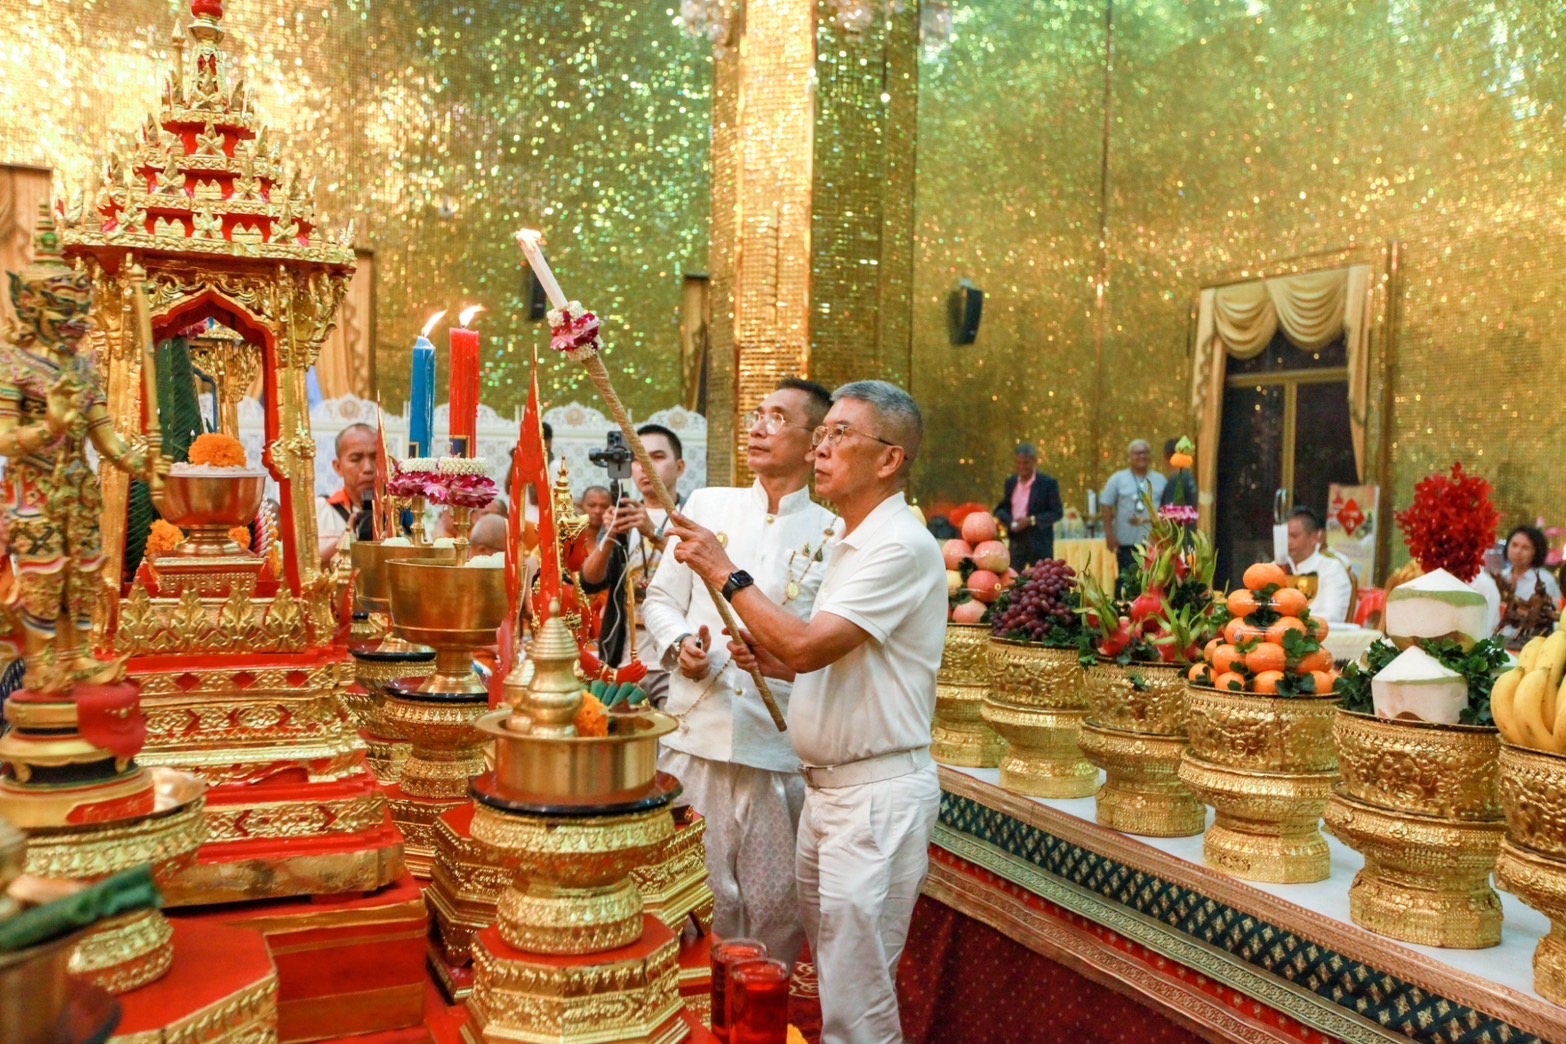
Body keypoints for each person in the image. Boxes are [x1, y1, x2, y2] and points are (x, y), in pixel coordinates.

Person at [669, 379, 945, 1044]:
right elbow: (830, 658)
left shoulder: (899, 545)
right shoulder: (854, 540)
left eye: (840, 434)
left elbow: (808, 642)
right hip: (830, 792)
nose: (822, 448)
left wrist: (724, 571)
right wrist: (779, 664)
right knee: (832, 985)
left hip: (872, 796)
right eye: (822, 434)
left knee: (855, 1002)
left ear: (890, 459)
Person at [643, 378, 836, 970]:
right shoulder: (707, 507)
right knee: (694, 900)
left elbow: (822, 643)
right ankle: (692, 1004)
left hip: (775, 748)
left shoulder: (833, 535)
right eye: (756, 414)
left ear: (814, 443)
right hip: (694, 737)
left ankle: (758, 1005)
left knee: (777, 906)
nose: (758, 427)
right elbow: (661, 600)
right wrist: (680, 646)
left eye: (777, 418)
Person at [580, 423, 686, 704]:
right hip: (624, 659)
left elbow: (702, 573)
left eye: (657, 457)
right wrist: (610, 536)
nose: (645, 468)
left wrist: (653, 532)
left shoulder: (691, 515)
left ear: (680, 467)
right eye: (638, 459)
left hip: (677, 660)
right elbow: (590, 581)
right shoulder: (623, 514)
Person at [1100, 439, 1167, 585]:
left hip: (1153, 542)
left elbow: (1167, 509)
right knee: (1127, 581)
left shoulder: (1160, 480)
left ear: (1150, 456)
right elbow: (1106, 505)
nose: (1141, 456)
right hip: (1126, 542)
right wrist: (1109, 534)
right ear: (1130, 456)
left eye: (1145, 453)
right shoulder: (1117, 479)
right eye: (1137, 453)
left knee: (1152, 583)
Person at [993, 442, 1062, 571]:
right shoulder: (1011, 482)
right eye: (1018, 463)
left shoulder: (1047, 483)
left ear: (1034, 461)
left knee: (1041, 578)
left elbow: (1057, 512)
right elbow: (1003, 508)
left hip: (1039, 541)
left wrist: (1031, 520)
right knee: (1013, 577)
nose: (1021, 467)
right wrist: (1010, 522)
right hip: (1016, 541)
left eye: (1025, 463)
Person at [317, 422, 378, 567]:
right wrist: (347, 542)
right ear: (338, 467)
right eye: (356, 459)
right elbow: (302, 569)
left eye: (375, 457)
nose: (368, 468)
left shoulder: (402, 514)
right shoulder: (317, 512)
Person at [1494, 524, 1561, 645]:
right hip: (1495, 641)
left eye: (1525, 548)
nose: (1518, 551)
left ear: (1536, 551)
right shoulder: (1501, 577)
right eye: (1514, 545)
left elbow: (1553, 616)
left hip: (1529, 644)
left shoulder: (1546, 581)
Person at [1283, 506, 1352, 624]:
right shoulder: (1276, 567)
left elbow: (1333, 617)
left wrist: (1294, 623)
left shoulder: (1332, 569)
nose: (1288, 542)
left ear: (1314, 537)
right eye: (1285, 536)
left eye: (1294, 536)